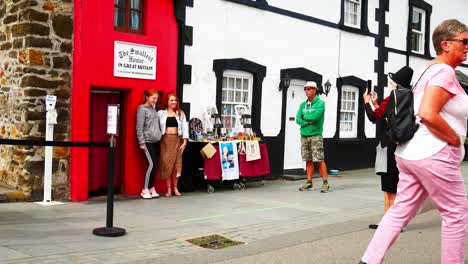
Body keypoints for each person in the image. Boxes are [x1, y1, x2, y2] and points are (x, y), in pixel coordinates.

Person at [360, 19, 468, 264]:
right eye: (464, 41)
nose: (467, 46)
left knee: (400, 210)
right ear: (446, 44)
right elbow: (428, 113)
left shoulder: (425, 70)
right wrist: (453, 139)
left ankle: (369, 261)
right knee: (456, 214)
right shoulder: (444, 71)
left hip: (409, 153)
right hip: (434, 153)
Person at [362, 66, 414, 229]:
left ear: (396, 84)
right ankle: (391, 220)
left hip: (388, 146)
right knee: (398, 185)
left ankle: (391, 223)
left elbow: (373, 117)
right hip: (404, 146)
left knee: (389, 187)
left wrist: (366, 102)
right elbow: (390, 118)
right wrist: (377, 102)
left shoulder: (391, 98)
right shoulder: (410, 98)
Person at [296, 81, 330, 193]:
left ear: (315, 90)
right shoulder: (302, 105)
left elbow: (315, 117)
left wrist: (304, 118)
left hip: (316, 135)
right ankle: (309, 182)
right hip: (304, 135)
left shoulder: (320, 103)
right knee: (308, 160)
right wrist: (308, 121)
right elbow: (297, 119)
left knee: (319, 159)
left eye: (309, 89)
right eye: (305, 89)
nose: (307, 91)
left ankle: (325, 183)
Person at [158, 93, 188, 197]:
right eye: (171, 100)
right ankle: (169, 189)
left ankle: (175, 187)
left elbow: (185, 127)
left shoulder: (180, 113)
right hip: (165, 140)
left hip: (177, 139)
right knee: (167, 164)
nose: (174, 102)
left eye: (175, 100)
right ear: (167, 101)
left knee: (176, 164)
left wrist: (185, 141)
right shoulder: (161, 113)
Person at [136, 89, 162, 199]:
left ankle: (151, 188)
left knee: (155, 165)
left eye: (156, 98)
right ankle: (145, 189)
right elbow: (139, 127)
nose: (155, 100)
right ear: (147, 97)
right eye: (153, 98)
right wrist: (141, 142)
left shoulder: (154, 109)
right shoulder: (142, 109)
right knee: (151, 165)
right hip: (147, 142)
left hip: (156, 141)